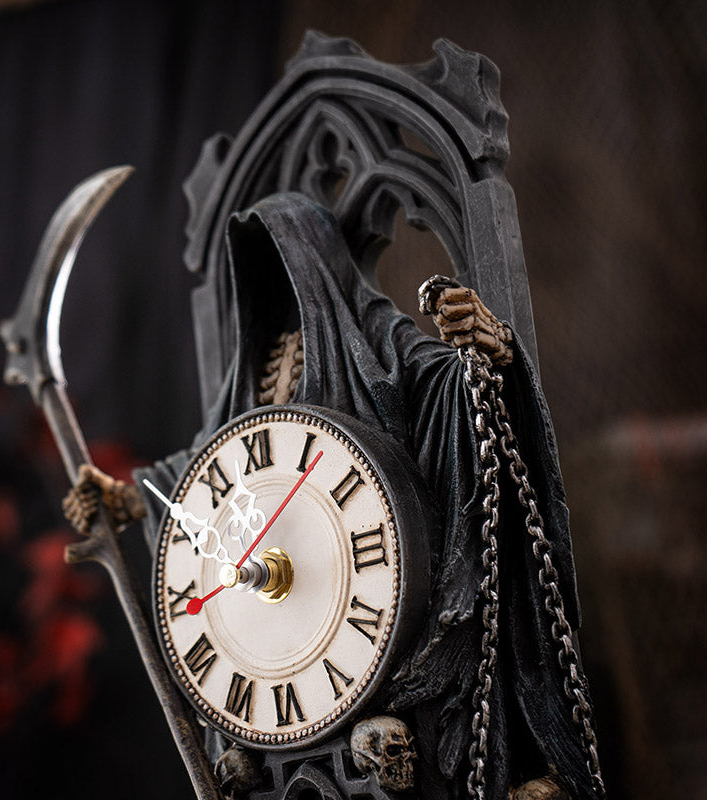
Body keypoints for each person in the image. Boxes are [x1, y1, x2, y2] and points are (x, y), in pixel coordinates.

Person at [64, 193, 596, 800]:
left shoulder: (370, 339)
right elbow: (203, 470)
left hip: (379, 614)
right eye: (259, 278)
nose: (273, 289)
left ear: (313, 265)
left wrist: (489, 350)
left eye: (283, 267)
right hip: (284, 649)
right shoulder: (250, 381)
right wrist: (131, 496)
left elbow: (443, 382)